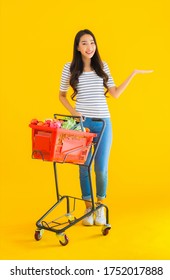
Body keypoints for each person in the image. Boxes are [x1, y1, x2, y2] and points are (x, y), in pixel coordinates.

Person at [59, 29, 153, 226]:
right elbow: (61, 95)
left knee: (100, 169)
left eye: (92, 42)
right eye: (84, 43)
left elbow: (115, 93)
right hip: (82, 125)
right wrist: (74, 113)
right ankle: (88, 209)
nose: (89, 47)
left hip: (103, 123)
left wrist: (133, 74)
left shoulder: (103, 67)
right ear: (77, 47)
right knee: (83, 168)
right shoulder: (69, 68)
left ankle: (100, 206)